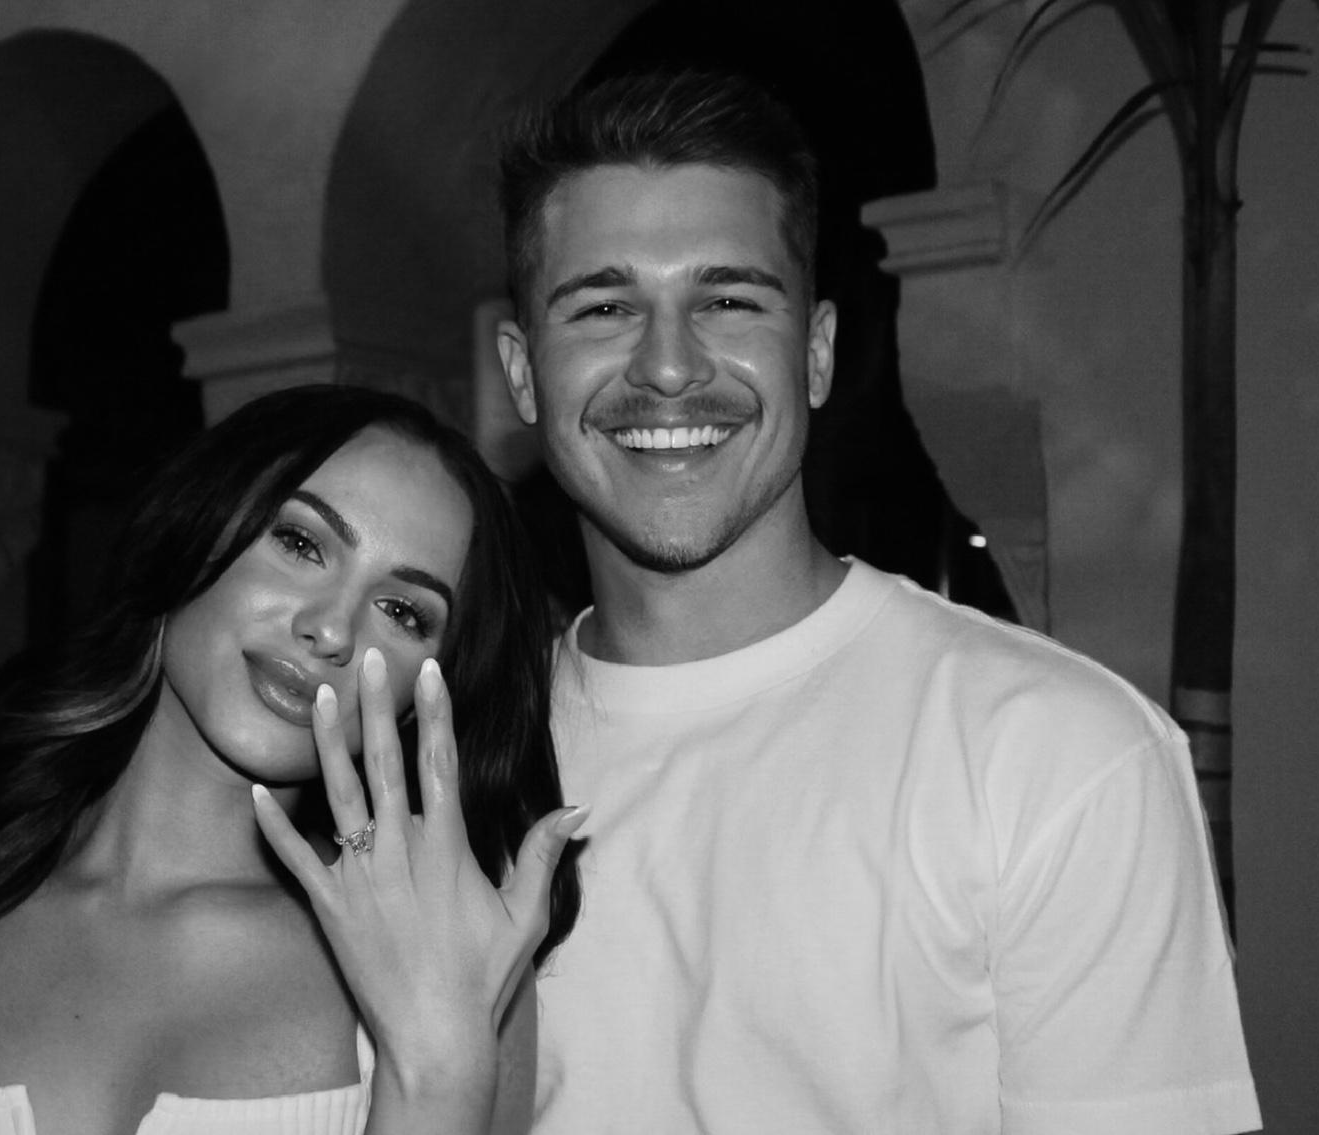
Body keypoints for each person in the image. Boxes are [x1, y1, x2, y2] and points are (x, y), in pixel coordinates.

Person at [493, 69, 1259, 1133]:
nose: (667, 367)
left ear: (814, 353)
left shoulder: (1052, 752)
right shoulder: (466, 758)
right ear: (522, 373)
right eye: (605, 307)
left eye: (726, 300)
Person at [0, 384, 585, 1135]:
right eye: (300, 541)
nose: (332, 628)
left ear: (423, 692)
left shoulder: (448, 963)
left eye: (403, 611)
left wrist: (437, 1075)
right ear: (197, 532)